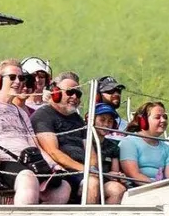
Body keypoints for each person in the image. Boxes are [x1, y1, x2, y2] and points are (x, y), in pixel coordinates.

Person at [0, 59, 71, 205]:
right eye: (12, 77)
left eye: (21, 78)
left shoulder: (20, 112)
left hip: (26, 162)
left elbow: (35, 146)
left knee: (63, 186)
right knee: (27, 178)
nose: (18, 82)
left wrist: (53, 165)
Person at [31, 71, 124, 204]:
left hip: (85, 171)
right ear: (56, 92)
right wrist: (84, 169)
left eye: (78, 93)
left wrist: (93, 168)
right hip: (63, 172)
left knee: (117, 189)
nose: (74, 96)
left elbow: (90, 149)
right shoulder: (43, 115)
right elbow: (53, 152)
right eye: (70, 92)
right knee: (92, 183)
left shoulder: (77, 119)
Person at [118, 102, 169, 184]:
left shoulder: (167, 149)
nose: (163, 120)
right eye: (157, 117)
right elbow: (134, 175)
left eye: (165, 117)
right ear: (143, 121)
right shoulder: (128, 143)